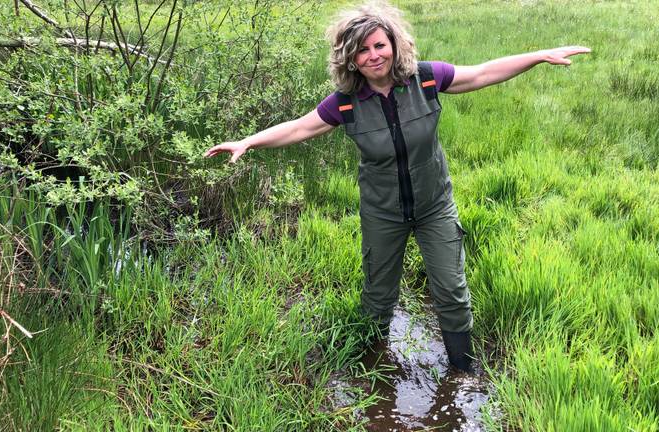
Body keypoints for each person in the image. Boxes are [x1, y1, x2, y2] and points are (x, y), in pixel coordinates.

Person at [204, 1, 590, 372]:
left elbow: (484, 72)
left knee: (452, 293)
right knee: (377, 298)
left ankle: (462, 370)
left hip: (434, 207)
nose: (373, 56)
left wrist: (538, 54)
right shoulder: (345, 103)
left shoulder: (426, 78)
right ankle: (374, 366)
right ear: (349, 59)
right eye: (362, 50)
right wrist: (248, 141)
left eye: (379, 45)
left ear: (393, 44)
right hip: (382, 213)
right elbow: (299, 127)